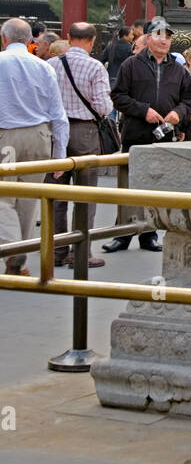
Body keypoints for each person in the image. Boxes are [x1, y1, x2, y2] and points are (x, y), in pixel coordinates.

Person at [105, 19, 191, 252]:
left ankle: (149, 233)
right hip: (136, 134)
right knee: (130, 187)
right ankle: (123, 233)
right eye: (158, 34)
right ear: (147, 38)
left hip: (164, 136)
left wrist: (179, 113)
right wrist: (143, 110)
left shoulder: (179, 70)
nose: (164, 40)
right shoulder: (131, 65)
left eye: (167, 36)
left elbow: (188, 101)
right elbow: (118, 97)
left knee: (155, 187)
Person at [0, 18, 69, 275]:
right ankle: (17, 261)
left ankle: (10, 249)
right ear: (31, 40)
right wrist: (60, 153)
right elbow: (58, 113)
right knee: (29, 199)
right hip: (40, 136)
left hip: (5, 136)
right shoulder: (44, 67)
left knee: (2, 198)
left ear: (4, 38)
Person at [46, 22, 112, 268]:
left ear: (68, 37)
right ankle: (80, 252)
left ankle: (57, 250)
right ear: (93, 41)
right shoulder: (95, 67)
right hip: (85, 133)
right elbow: (103, 106)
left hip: (55, 132)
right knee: (84, 195)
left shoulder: (51, 65)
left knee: (57, 194)